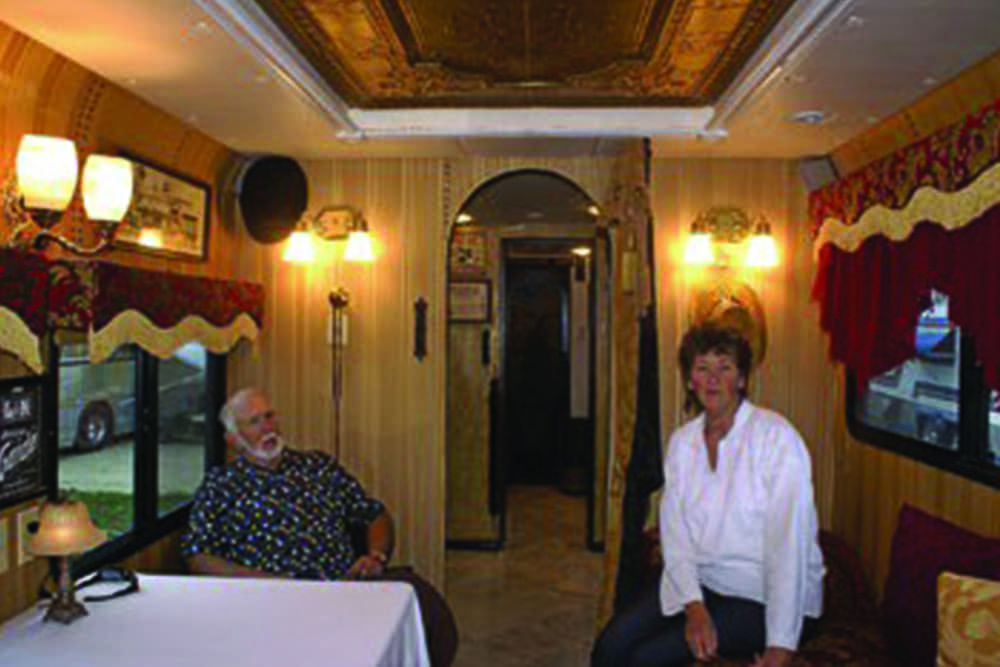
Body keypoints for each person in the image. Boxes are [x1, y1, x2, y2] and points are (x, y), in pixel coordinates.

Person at [592, 325, 824, 667]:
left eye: (724, 367)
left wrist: (781, 644)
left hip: (761, 595)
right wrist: (694, 607)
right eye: (702, 368)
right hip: (703, 581)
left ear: (742, 379)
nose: (713, 379)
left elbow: (788, 547)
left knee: (646, 659)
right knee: (610, 646)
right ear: (690, 380)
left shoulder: (778, 440)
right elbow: (676, 536)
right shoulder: (682, 444)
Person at [182, 387, 457, 666]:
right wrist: (268, 581)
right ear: (233, 440)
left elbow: (374, 513)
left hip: (345, 585)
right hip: (272, 599)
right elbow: (198, 556)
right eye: (254, 422)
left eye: (269, 416)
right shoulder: (220, 485)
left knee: (421, 602)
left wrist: (376, 557)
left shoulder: (318, 466)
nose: (268, 427)